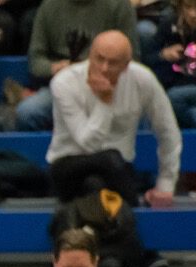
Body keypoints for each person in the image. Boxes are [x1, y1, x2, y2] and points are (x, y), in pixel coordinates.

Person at [48, 30, 180, 210]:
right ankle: (132, 210)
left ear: (126, 65)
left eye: (113, 63)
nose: (104, 68)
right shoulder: (64, 82)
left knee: (97, 183)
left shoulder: (142, 79)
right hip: (69, 166)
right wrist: (105, 102)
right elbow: (88, 143)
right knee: (110, 159)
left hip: (117, 172)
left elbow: (168, 131)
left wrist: (165, 185)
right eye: (99, 59)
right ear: (90, 55)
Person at [15, 0, 138, 131]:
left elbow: (132, 59)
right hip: (62, 85)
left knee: (134, 108)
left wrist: (99, 72)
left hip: (109, 85)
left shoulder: (119, 5)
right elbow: (36, 60)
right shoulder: (49, 6)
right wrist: (55, 67)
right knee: (27, 112)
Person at [147, 0, 196, 131]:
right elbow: (147, 60)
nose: (193, 14)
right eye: (188, 7)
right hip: (173, 86)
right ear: (180, 8)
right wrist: (163, 54)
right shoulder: (169, 23)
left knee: (172, 98)